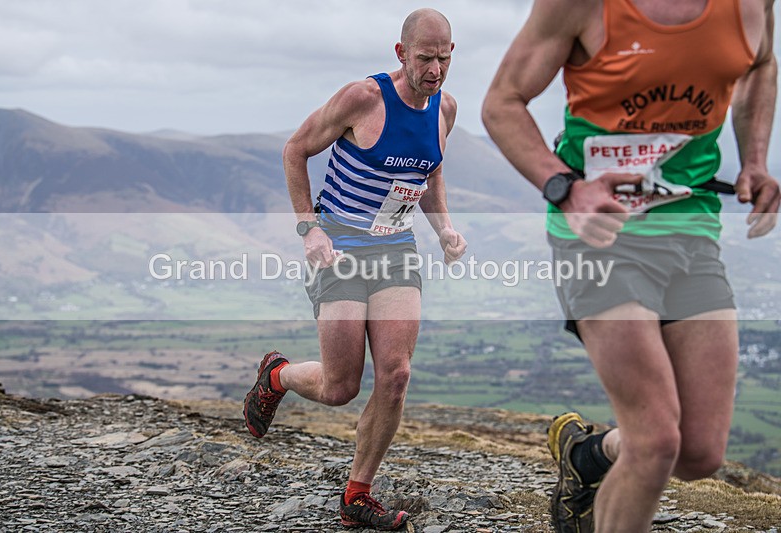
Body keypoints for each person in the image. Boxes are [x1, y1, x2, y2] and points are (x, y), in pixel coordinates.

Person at [482, 1, 779, 532]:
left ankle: (588, 456)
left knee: (698, 454)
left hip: (691, 233)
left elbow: (759, 64)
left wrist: (754, 159)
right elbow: (502, 102)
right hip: (599, 238)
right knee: (655, 440)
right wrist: (566, 189)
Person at [243, 8, 466, 531]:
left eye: (445, 58)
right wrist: (309, 229)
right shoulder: (362, 99)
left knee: (396, 375)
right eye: (425, 58)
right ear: (401, 53)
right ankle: (276, 375)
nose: (435, 69)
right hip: (339, 244)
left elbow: (429, 175)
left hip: (394, 248)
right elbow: (295, 149)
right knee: (341, 386)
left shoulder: (445, 110)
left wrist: (445, 229)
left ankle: (357, 495)